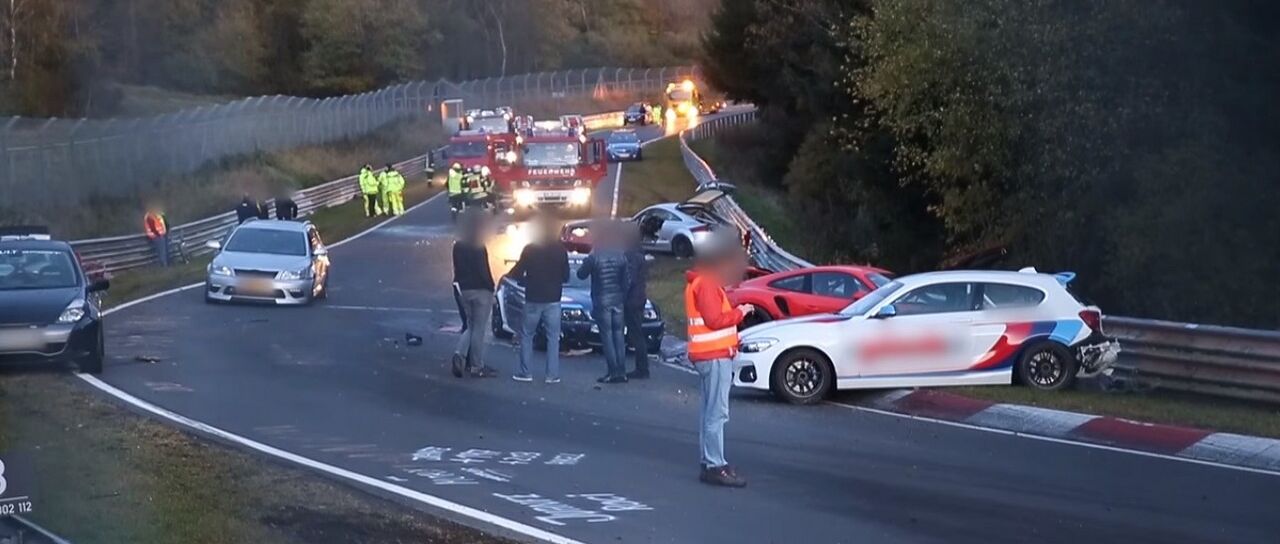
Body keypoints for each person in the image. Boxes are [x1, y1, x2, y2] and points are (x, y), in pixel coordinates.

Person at [685, 227, 753, 488]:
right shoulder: (707, 284)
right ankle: (715, 464)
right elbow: (715, 320)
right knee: (717, 413)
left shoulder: (702, 282)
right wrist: (741, 312)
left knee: (709, 412)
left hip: (708, 355)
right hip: (713, 357)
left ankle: (709, 461)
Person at [507, 214, 569, 383]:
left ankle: (525, 372)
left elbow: (517, 272)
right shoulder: (560, 250)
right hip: (553, 299)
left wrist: (523, 280)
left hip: (533, 297)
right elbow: (566, 276)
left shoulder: (530, 249)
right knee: (553, 338)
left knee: (527, 335)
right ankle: (552, 375)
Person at [577, 221, 631, 384]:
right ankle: (622, 371)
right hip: (617, 299)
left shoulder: (595, 256)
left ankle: (612, 371)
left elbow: (581, 274)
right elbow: (626, 280)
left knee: (607, 336)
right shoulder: (620, 254)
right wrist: (622, 295)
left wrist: (590, 257)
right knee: (619, 335)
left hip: (602, 299)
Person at [451, 210, 498, 378]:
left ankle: (460, 353)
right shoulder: (479, 246)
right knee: (479, 329)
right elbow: (483, 270)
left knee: (470, 326)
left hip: (464, 289)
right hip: (480, 290)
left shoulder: (458, 246)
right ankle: (476, 365)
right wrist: (492, 288)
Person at [623, 223, 650, 379]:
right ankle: (642, 367)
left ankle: (642, 368)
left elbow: (629, 278)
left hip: (632, 299)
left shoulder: (631, 255)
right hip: (639, 297)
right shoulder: (640, 254)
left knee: (636, 334)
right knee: (637, 332)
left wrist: (623, 295)